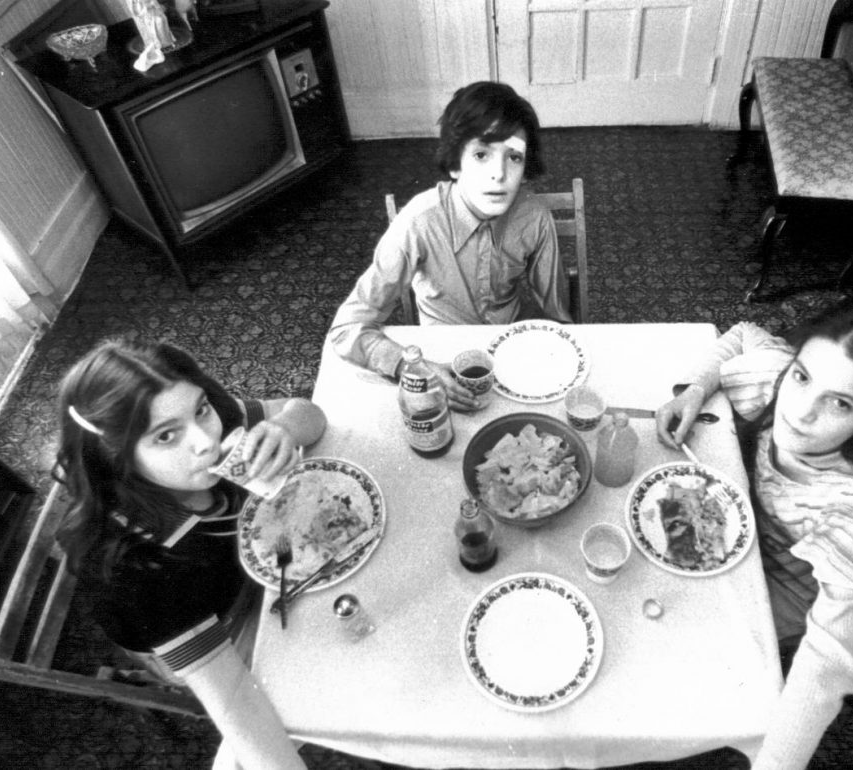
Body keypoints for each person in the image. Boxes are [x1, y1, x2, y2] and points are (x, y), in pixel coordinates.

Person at [655, 296, 853, 770]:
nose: (801, 411)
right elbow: (742, 333)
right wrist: (694, 391)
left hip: (789, 590)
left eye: (840, 403)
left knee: (664, 638)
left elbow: (826, 662)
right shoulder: (779, 377)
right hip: (742, 525)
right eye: (803, 376)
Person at [54, 338, 326, 770]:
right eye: (166, 436)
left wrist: (285, 429)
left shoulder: (211, 419)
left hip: (247, 573)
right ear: (118, 459)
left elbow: (308, 412)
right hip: (211, 633)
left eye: (199, 410)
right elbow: (235, 699)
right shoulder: (134, 569)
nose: (206, 442)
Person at [327, 81, 571, 410]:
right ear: (455, 164)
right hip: (439, 358)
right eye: (481, 154)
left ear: (525, 169)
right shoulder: (418, 221)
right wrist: (410, 368)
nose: (499, 174)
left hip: (511, 353)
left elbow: (557, 316)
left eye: (514, 157)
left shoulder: (535, 217)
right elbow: (346, 328)